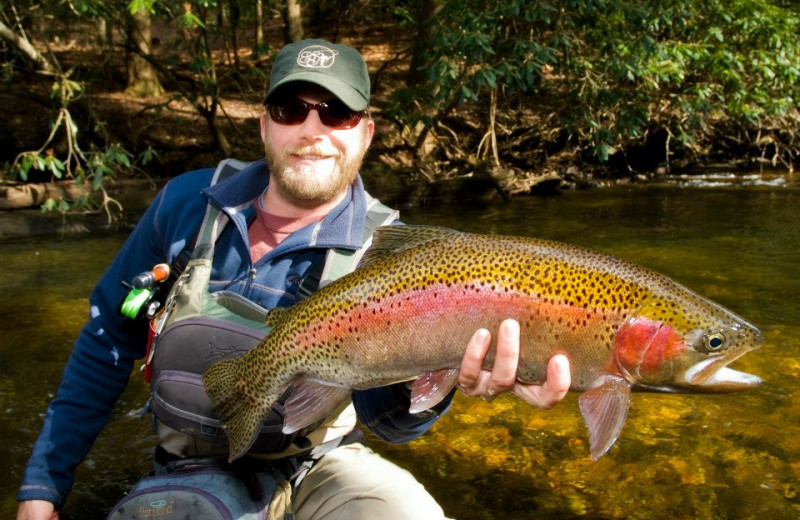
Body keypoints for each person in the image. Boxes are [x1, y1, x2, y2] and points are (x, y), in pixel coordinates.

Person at [16, 38, 571, 520]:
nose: (313, 130)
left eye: (337, 113)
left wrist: (442, 375)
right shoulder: (186, 204)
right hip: (187, 466)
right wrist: (43, 485)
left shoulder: (402, 253)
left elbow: (392, 426)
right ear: (264, 125)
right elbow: (107, 340)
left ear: (366, 133)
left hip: (322, 465)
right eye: (291, 109)